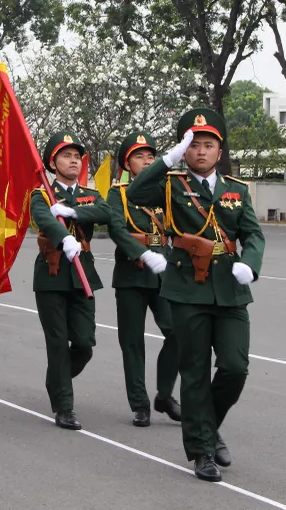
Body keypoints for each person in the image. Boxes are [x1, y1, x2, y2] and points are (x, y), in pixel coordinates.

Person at [126, 108, 266, 483]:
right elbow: (136, 193)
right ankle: (202, 450)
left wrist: (250, 264)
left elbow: (253, 234)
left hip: (232, 289)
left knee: (236, 367)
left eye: (209, 145)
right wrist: (166, 160)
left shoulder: (236, 189)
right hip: (188, 288)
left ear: (219, 152)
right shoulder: (169, 183)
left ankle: (208, 424)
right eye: (194, 145)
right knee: (195, 372)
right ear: (184, 150)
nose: (201, 152)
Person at [30, 132, 111, 430]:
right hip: (52, 274)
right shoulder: (41, 194)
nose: (74, 160)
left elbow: (107, 212)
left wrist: (74, 211)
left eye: (77, 156)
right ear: (53, 163)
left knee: (84, 343)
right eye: (67, 155)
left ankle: (56, 379)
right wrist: (64, 236)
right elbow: (44, 219)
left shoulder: (89, 194)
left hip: (82, 274)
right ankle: (64, 406)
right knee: (57, 342)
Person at [107, 132, 180, 427]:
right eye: (140, 156)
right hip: (132, 274)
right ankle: (140, 404)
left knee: (178, 334)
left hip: (164, 276)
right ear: (127, 163)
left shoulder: (167, 190)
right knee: (133, 342)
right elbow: (116, 228)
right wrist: (141, 253)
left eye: (151, 156)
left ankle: (164, 395)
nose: (148, 161)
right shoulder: (119, 193)